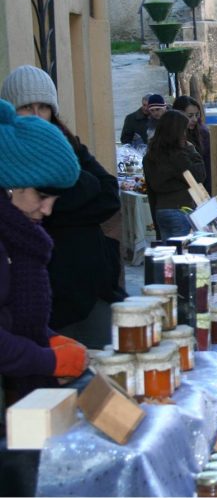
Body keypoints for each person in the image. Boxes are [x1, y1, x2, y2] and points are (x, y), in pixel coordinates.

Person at [1, 65, 123, 349]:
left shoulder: (67, 144)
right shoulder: (8, 155)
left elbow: (107, 195)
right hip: (48, 292)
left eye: (43, 107)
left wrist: (61, 204)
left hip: (92, 287)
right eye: (26, 107)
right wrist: (81, 197)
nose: (36, 115)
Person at [0, 99, 88, 404]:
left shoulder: (14, 233)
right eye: (43, 196)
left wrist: (47, 338)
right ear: (12, 186)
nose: (47, 210)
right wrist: (46, 359)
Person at [143, 110, 206, 240]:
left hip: (162, 210)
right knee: (181, 256)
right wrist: (191, 150)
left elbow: (152, 189)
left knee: (171, 255)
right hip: (180, 209)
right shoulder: (178, 155)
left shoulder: (151, 155)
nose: (186, 134)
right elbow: (198, 175)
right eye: (184, 130)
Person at [173, 95, 212, 195]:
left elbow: (207, 166)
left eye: (197, 115)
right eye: (190, 116)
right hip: (179, 192)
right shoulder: (170, 137)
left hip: (201, 189)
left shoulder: (203, 134)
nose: (194, 119)